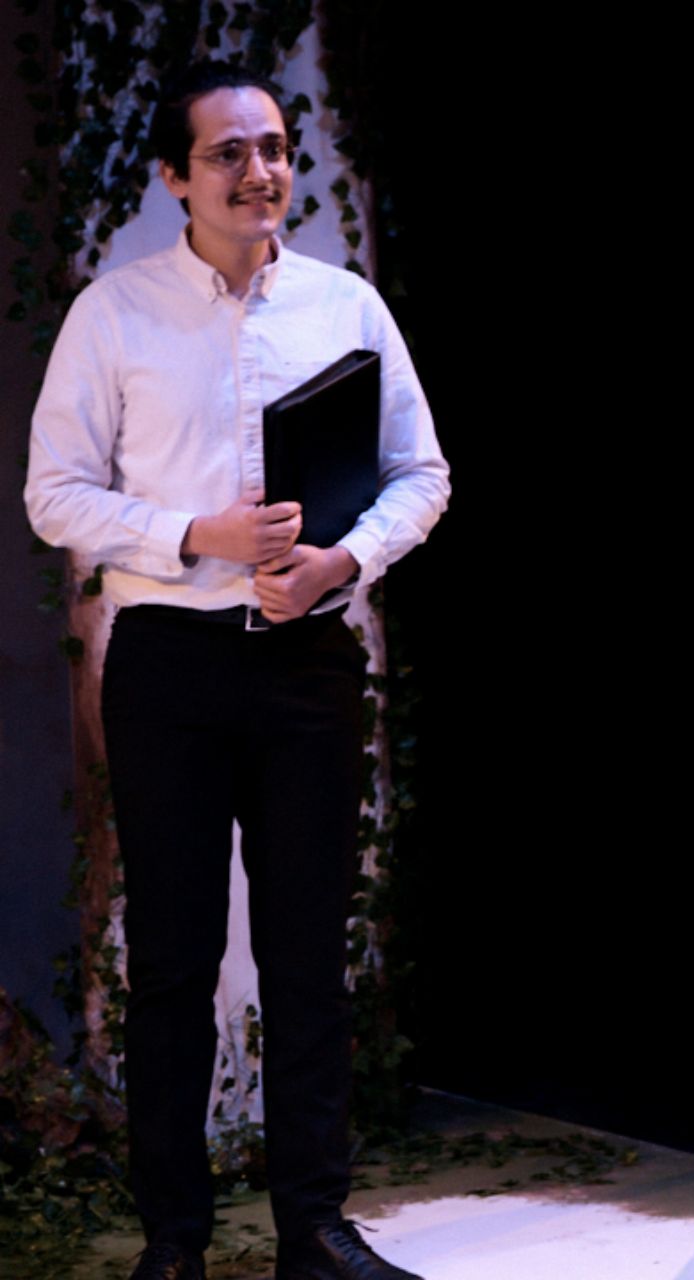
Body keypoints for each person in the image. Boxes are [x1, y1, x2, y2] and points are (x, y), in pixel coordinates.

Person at [23, 60, 448, 1280]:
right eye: (228, 153)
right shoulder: (115, 313)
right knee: (172, 960)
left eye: (273, 148)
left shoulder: (345, 304)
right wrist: (194, 534)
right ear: (174, 176)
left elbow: (423, 473)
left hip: (306, 657)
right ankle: (175, 1237)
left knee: (309, 955)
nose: (260, 171)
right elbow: (54, 494)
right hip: (169, 660)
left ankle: (315, 1226)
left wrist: (342, 563)